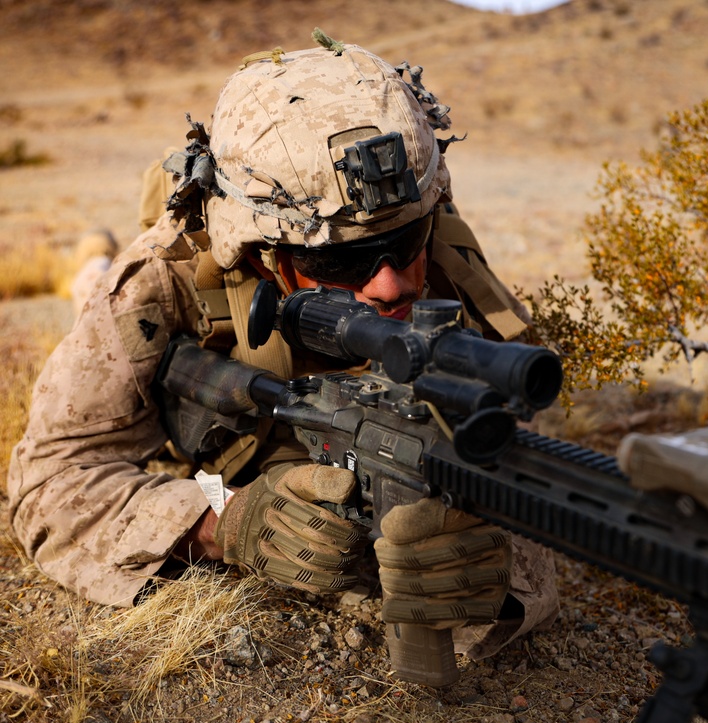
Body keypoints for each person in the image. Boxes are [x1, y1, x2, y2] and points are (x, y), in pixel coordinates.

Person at [6, 39, 558, 661]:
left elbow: (527, 452)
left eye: (404, 243)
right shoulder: (158, 285)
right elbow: (48, 482)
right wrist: (224, 520)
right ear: (263, 252)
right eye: (341, 261)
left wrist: (492, 554)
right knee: (91, 283)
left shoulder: (442, 250)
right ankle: (87, 259)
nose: (391, 284)